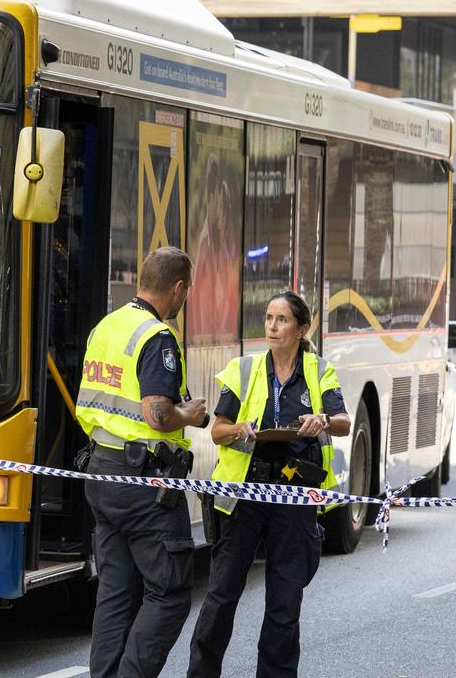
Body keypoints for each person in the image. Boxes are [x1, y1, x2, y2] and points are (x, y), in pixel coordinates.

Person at [188, 291, 351, 678]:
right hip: (246, 495)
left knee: (284, 600)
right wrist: (239, 430)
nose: (273, 327)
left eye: (282, 320)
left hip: (295, 497)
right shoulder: (244, 369)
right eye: (268, 318)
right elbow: (218, 431)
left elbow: (343, 420)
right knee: (222, 594)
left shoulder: (318, 370)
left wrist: (323, 421)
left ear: (302, 329)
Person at [76, 246, 208, 678]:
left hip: (101, 471)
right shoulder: (156, 337)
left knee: (115, 591)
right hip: (143, 483)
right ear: (178, 287)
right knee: (169, 592)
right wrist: (191, 414)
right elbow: (159, 413)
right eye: (185, 292)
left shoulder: (107, 327)